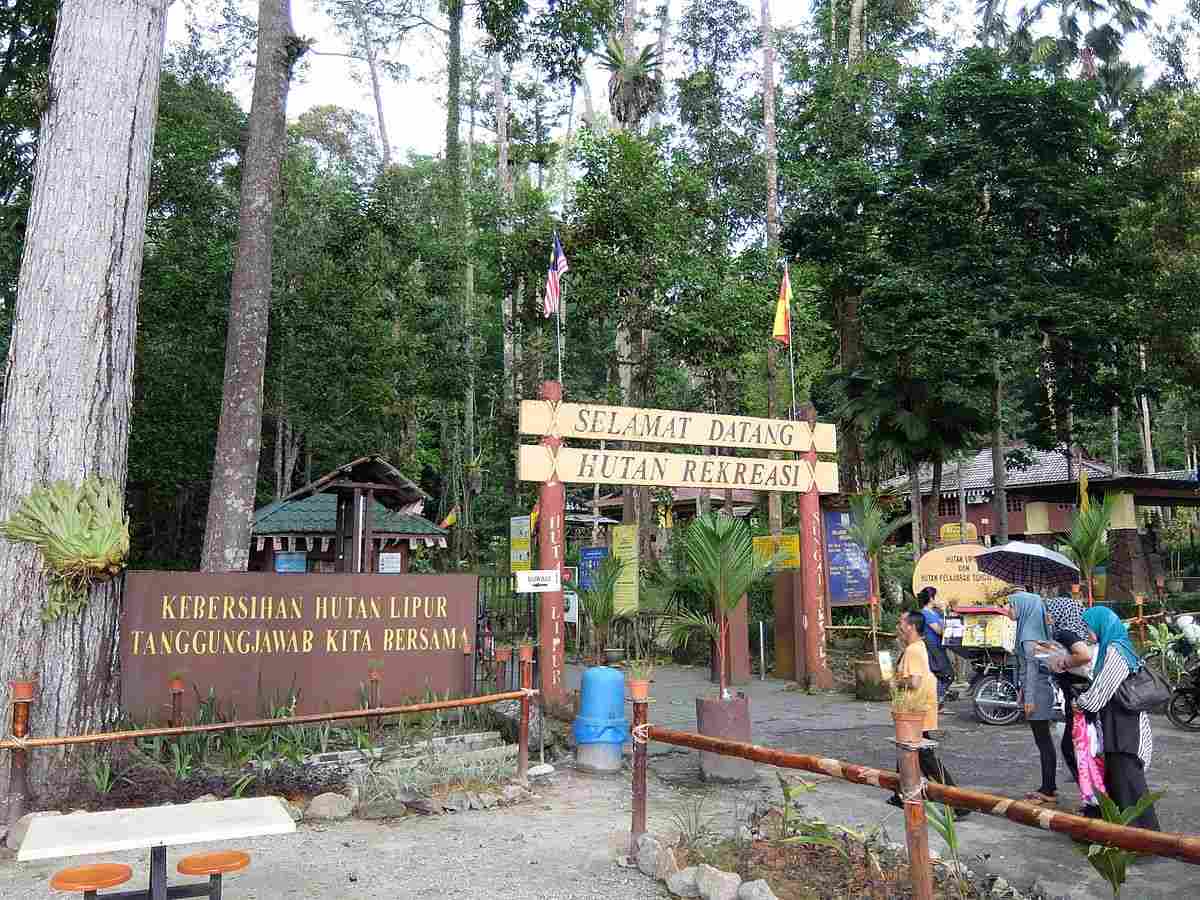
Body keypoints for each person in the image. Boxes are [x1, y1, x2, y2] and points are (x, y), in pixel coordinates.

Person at [1076, 607, 1160, 830]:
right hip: (1117, 725)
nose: (1087, 631)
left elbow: (1102, 690)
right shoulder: (1113, 648)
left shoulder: (1115, 651)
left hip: (1125, 729)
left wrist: (1081, 702)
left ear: (1100, 626)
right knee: (1119, 782)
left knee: (1130, 783)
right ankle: (1124, 835)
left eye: (1089, 626)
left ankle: (1147, 839)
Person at [887, 611, 969, 818]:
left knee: (926, 758)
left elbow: (914, 681)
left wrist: (895, 681)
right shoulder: (916, 647)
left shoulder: (914, 650)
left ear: (911, 627)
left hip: (916, 712)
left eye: (901, 622)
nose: (899, 626)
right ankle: (900, 794)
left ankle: (959, 802)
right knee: (906, 750)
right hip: (915, 711)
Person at [1043, 595, 1098, 812]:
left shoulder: (1065, 632)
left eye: (1050, 611)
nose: (1047, 616)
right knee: (1086, 749)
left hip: (1079, 699)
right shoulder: (1083, 630)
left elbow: (1082, 656)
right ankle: (1093, 800)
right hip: (1086, 696)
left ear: (1059, 611)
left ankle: (1093, 803)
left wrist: (1062, 662)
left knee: (1074, 749)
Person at [1007, 591, 1059, 806]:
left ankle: (1048, 789)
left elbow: (1032, 670)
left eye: (1011, 605)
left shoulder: (1029, 637)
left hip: (1037, 693)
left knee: (1044, 741)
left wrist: (1028, 699)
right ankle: (1048, 786)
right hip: (1037, 690)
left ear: (1023, 607)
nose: (1009, 610)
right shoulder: (1036, 631)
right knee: (1043, 741)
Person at [918, 586, 954, 705]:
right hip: (932, 647)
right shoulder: (925, 614)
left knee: (942, 674)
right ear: (931, 598)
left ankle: (937, 701)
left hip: (938, 647)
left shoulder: (932, 612)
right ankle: (937, 700)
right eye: (937, 596)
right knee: (946, 674)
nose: (939, 599)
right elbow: (940, 630)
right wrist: (944, 611)